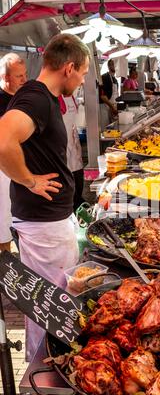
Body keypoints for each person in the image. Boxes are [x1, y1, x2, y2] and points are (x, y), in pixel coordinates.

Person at [0, 33, 90, 361]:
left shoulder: (43, 97)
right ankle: (48, 370)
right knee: (49, 304)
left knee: (56, 299)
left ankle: (54, 364)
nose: (81, 81)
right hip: (44, 226)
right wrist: (29, 180)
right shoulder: (36, 98)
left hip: (49, 223)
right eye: (82, 73)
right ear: (68, 68)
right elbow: (2, 140)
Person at [0, 53, 27, 252]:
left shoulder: (24, 97)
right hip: (2, 171)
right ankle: (5, 263)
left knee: (22, 219)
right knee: (3, 220)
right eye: (19, 76)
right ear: (5, 77)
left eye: (25, 75)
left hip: (23, 166)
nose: (24, 80)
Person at [58, 94, 84, 211]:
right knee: (69, 182)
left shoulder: (71, 96)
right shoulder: (57, 97)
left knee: (78, 176)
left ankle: (79, 204)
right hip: (63, 145)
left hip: (74, 141)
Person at [99, 58, 118, 131]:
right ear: (109, 66)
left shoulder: (115, 79)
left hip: (112, 106)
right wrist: (112, 107)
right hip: (104, 107)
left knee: (112, 129)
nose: (116, 66)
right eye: (113, 64)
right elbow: (103, 96)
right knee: (105, 129)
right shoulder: (104, 77)